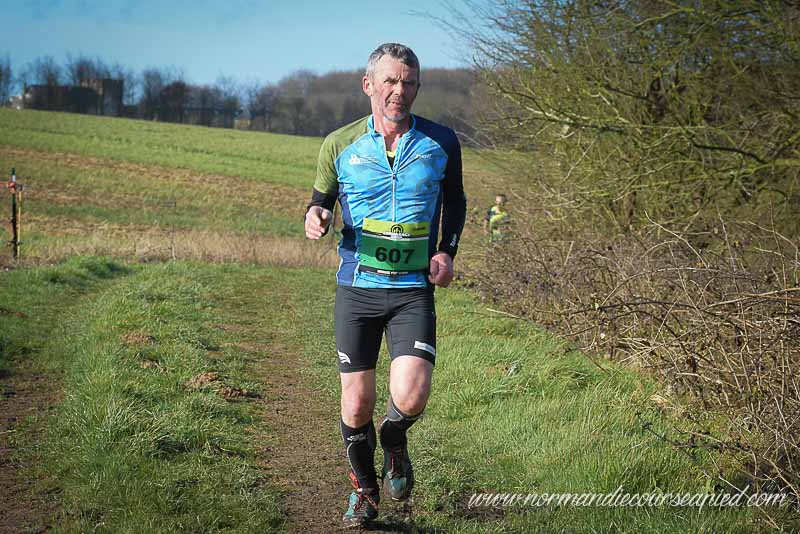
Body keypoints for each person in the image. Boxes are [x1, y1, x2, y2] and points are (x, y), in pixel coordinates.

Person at [304, 43, 467, 528]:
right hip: (358, 288)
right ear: (369, 85)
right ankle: (364, 489)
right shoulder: (339, 143)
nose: (400, 91)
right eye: (391, 81)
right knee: (357, 402)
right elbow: (319, 202)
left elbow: (455, 201)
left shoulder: (441, 142)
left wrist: (446, 251)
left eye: (409, 82)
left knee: (412, 395)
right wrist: (315, 217)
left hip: (413, 290)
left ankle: (394, 440)